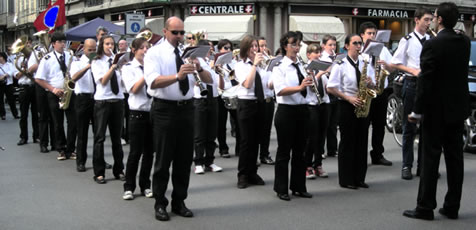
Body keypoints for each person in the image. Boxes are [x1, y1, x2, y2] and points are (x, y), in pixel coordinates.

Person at [403, 2, 470, 221]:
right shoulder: (464, 41)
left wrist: (417, 111)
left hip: (435, 110)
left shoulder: (432, 44)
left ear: (439, 19)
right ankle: (452, 206)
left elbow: (426, 81)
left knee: (430, 158)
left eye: (434, 16)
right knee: (455, 158)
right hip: (457, 108)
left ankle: (425, 207)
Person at [144, 16, 213, 221]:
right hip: (164, 109)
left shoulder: (187, 54)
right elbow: (152, 83)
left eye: (182, 32)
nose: (180, 36)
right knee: (163, 159)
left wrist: (199, 67)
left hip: (187, 109)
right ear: (165, 32)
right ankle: (160, 202)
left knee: (184, 160)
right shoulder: (154, 53)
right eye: (175, 32)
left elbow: (209, 81)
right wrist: (177, 76)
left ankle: (179, 200)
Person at [390, 7, 433, 180]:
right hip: (412, 83)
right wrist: (413, 70)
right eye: (426, 20)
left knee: (427, 128)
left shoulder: (431, 39)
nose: (429, 23)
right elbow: (395, 62)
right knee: (409, 127)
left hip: (429, 84)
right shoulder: (407, 40)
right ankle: (406, 165)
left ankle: (424, 166)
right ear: (417, 20)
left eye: (431, 20)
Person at [272, 31, 313, 201]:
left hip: (302, 110)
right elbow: (280, 90)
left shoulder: (303, 65)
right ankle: (281, 188)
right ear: (285, 46)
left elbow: (307, 87)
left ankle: (298, 186)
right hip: (286, 111)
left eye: (299, 44)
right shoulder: (279, 67)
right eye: (293, 44)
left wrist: (312, 81)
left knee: (300, 152)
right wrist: (300, 87)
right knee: (284, 152)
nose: (297, 48)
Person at [327, 34, 370, 190]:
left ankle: (359, 177)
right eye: (355, 43)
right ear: (346, 46)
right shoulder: (340, 63)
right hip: (346, 105)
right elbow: (331, 87)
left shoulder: (365, 62)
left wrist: (370, 83)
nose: (358, 46)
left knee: (362, 141)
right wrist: (348, 98)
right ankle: (346, 179)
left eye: (360, 43)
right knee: (348, 142)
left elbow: (370, 84)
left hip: (362, 103)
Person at [35, 32, 77, 161]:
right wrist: (53, 89)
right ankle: (61, 149)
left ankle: (71, 148)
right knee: (57, 123)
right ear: (54, 44)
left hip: (69, 92)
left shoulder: (71, 56)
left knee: (73, 122)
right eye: (60, 42)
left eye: (64, 42)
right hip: (54, 93)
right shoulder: (47, 59)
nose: (63, 44)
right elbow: (38, 79)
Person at [121, 37, 154, 200]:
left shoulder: (151, 67)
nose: (146, 50)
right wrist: (146, 74)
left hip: (152, 113)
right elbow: (133, 89)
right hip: (137, 113)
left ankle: (145, 184)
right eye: (142, 48)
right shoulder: (128, 68)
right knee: (135, 152)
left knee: (149, 153)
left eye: (147, 47)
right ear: (134, 50)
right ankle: (129, 186)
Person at [234, 35, 268, 189]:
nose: (255, 49)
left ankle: (252, 172)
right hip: (246, 103)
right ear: (246, 49)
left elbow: (268, 85)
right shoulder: (240, 65)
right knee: (246, 141)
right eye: (252, 47)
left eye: (257, 46)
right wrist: (254, 65)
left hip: (259, 103)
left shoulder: (261, 65)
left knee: (256, 140)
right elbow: (247, 84)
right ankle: (242, 174)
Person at [90, 35, 125, 184]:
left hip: (117, 100)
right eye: (107, 44)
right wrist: (112, 68)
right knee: (100, 138)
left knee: (117, 138)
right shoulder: (97, 61)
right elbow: (103, 81)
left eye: (112, 44)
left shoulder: (119, 61)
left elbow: (123, 82)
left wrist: (122, 68)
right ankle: (99, 172)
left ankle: (119, 170)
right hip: (103, 101)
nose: (110, 46)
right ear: (101, 45)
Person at [359, 22, 393, 166]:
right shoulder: (359, 50)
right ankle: (360, 155)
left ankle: (377, 154)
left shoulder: (383, 49)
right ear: (362, 35)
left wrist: (386, 65)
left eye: (374, 33)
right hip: (366, 93)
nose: (372, 36)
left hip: (381, 92)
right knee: (363, 125)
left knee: (379, 125)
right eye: (369, 33)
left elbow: (392, 67)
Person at [192, 40, 223, 174]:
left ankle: (209, 161)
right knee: (199, 134)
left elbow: (218, 83)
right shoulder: (195, 60)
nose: (210, 50)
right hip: (200, 99)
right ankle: (198, 162)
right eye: (208, 48)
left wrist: (219, 70)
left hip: (214, 98)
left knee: (211, 133)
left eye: (211, 48)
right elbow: (194, 79)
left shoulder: (212, 61)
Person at [70, 38, 96, 172]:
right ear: (84, 49)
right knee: (82, 132)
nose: (92, 52)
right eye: (89, 49)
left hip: (96, 98)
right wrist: (87, 67)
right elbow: (73, 78)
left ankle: (99, 161)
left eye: (94, 49)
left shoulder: (99, 61)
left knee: (98, 133)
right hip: (82, 99)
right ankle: (81, 161)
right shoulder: (77, 62)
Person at [304, 44, 329, 179]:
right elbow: (311, 88)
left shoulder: (321, 70)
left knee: (321, 136)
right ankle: (307, 165)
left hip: (323, 104)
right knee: (311, 138)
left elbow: (326, 88)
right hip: (311, 105)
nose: (318, 55)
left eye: (319, 52)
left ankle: (317, 164)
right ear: (308, 55)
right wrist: (320, 74)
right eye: (315, 53)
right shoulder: (306, 69)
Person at [29, 36, 55, 153]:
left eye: (49, 37)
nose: (47, 39)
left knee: (55, 116)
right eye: (46, 37)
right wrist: (42, 62)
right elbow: (30, 69)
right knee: (43, 115)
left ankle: (56, 143)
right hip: (41, 84)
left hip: (53, 85)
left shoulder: (56, 52)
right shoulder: (36, 52)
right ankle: (43, 143)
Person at [215, 39, 239, 158]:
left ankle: (239, 148)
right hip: (222, 95)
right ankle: (223, 148)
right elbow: (220, 86)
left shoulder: (234, 63)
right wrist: (219, 71)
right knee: (221, 123)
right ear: (219, 50)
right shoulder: (215, 64)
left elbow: (237, 79)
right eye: (225, 48)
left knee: (239, 122)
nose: (228, 50)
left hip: (234, 93)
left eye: (229, 48)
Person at [15, 37, 39, 146]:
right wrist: (24, 69)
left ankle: (36, 136)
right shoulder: (19, 59)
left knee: (35, 113)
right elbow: (17, 76)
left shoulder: (35, 56)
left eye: (28, 43)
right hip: (24, 88)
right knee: (23, 114)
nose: (27, 45)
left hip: (34, 86)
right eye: (26, 44)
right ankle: (23, 137)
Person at [257, 36, 275, 166]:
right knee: (255, 130)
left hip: (269, 99)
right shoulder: (252, 63)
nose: (264, 49)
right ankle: (253, 156)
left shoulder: (269, 62)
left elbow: (271, 84)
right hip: (256, 100)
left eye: (265, 46)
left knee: (266, 129)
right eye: (261, 46)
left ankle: (264, 154)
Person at [320, 35, 339, 158]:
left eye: (334, 45)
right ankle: (320, 150)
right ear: (324, 46)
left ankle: (332, 149)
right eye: (330, 45)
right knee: (323, 124)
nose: (332, 47)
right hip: (326, 91)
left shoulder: (337, 58)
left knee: (333, 124)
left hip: (335, 91)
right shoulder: (321, 58)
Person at [0, 51, 19, 120]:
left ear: (4, 57)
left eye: (1, 57)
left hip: (8, 84)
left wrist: (5, 75)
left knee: (11, 100)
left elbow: (12, 71)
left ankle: (15, 114)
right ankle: (2, 114)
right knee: (0, 100)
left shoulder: (9, 64)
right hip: (1, 84)